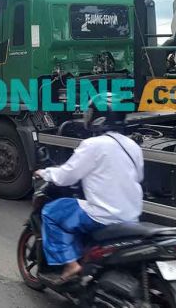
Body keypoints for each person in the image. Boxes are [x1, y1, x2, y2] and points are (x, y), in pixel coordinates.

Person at [34, 93, 144, 282]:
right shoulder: (133, 146)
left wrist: (44, 173)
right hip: (131, 217)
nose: (87, 115)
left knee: (51, 212)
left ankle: (70, 265)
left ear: (99, 117)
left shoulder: (93, 144)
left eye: (90, 112)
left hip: (102, 216)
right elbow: (139, 177)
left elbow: (66, 176)